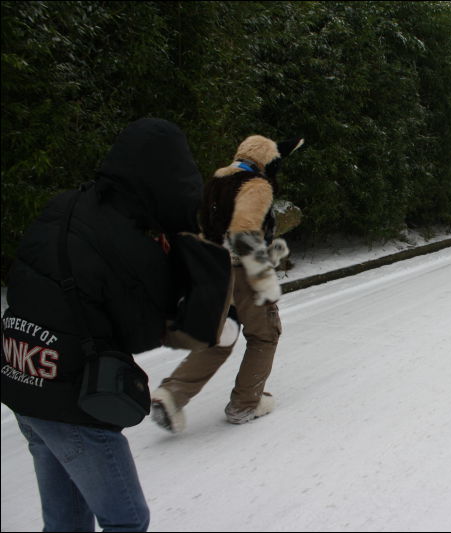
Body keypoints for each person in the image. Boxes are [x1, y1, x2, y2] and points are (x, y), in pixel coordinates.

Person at [1, 117, 231, 531]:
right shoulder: (127, 241)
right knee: (126, 519)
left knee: (65, 520)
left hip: (21, 374)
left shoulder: (66, 204)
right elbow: (145, 332)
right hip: (70, 399)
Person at [151, 134, 304, 432]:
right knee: (264, 335)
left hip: (213, 271)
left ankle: (171, 394)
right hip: (242, 273)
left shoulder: (217, 182)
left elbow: (213, 231)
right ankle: (245, 404)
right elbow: (243, 234)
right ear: (265, 164)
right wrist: (264, 280)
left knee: (221, 338)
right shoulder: (257, 185)